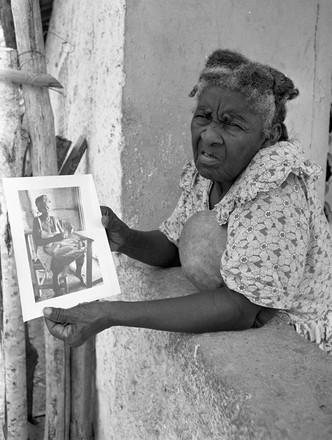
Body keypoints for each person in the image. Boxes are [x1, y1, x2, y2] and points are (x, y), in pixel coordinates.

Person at [43, 49, 332, 352]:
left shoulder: (275, 184)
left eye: (232, 125)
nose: (209, 135)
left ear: (269, 136)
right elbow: (174, 244)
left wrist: (108, 313)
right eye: (204, 117)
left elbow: (239, 310)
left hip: (302, 337)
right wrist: (125, 238)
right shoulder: (210, 172)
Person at [33, 194, 86, 297]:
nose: (46, 209)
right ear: (39, 208)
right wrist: (53, 239)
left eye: (47, 205)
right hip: (44, 249)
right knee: (57, 261)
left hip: (57, 245)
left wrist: (66, 233)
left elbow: (63, 235)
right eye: (42, 207)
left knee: (80, 249)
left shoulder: (54, 218)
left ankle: (78, 272)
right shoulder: (37, 221)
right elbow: (37, 241)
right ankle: (55, 281)